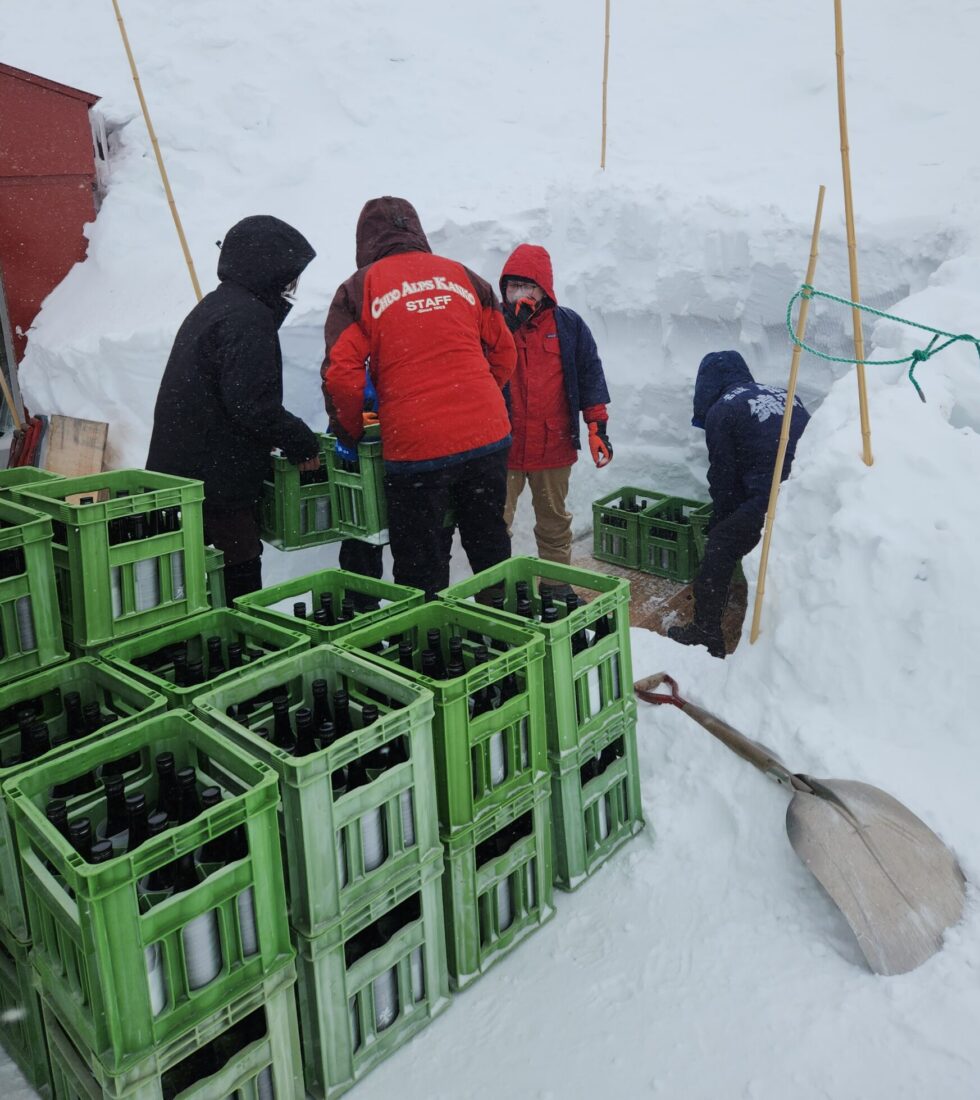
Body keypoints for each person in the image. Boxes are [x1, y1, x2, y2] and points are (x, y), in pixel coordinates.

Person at [322, 196, 516, 599]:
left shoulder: (359, 290)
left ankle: (428, 647)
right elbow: (504, 351)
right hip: (487, 437)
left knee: (421, 561)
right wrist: (479, 398)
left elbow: (342, 374)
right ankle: (506, 635)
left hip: (417, 448)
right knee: (489, 545)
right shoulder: (462, 276)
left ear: (366, 240)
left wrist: (351, 430)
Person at [147, 214, 321, 602]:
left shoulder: (219, 306)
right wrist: (302, 442)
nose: (294, 282)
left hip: (188, 472)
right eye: (291, 271)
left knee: (197, 576)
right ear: (269, 267)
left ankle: (216, 644)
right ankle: (240, 649)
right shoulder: (247, 317)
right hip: (214, 478)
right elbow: (251, 403)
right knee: (238, 572)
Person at [667, 350, 810, 657]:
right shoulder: (785, 395)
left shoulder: (724, 409)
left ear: (706, 385)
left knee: (720, 544)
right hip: (808, 495)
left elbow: (724, 480)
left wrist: (720, 522)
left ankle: (706, 633)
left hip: (772, 501)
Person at [499, 244, 612, 567]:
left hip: (553, 446)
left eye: (527, 286)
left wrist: (597, 426)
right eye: (512, 286)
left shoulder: (568, 325)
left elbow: (590, 374)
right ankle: (492, 597)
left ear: (543, 289)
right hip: (503, 448)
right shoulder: (492, 323)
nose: (518, 292)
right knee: (493, 526)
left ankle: (557, 588)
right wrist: (508, 323)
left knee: (554, 523)